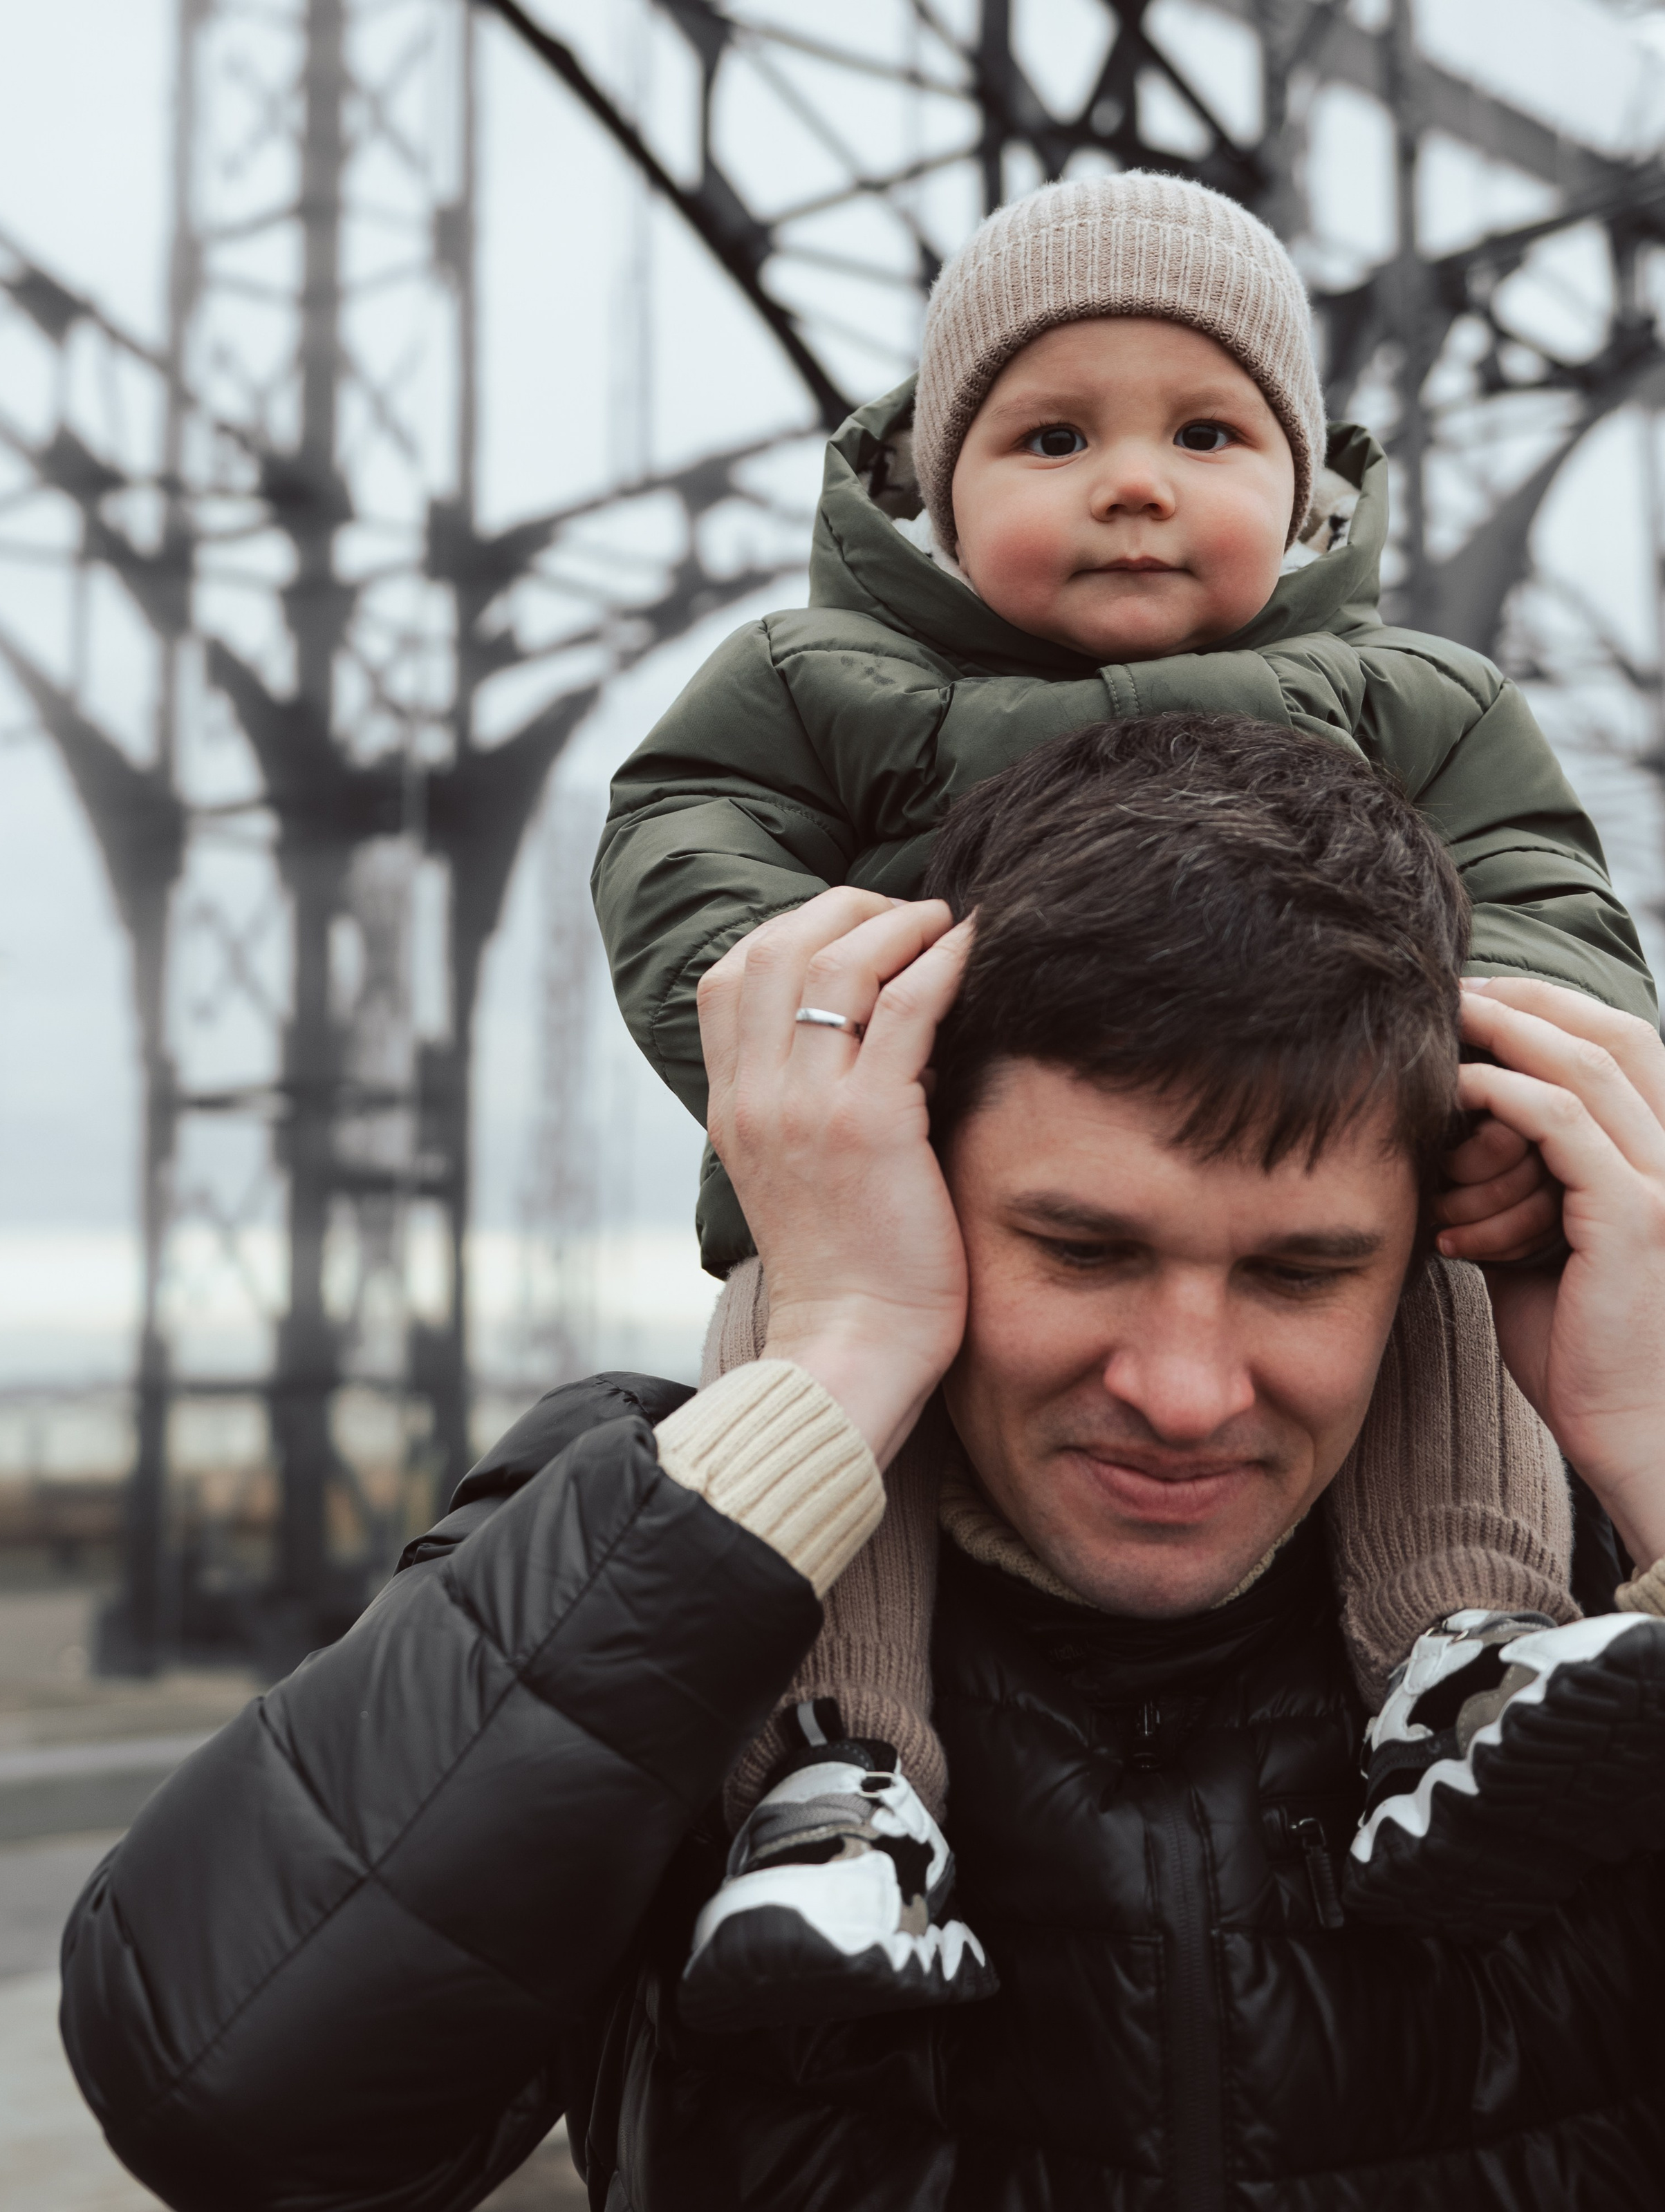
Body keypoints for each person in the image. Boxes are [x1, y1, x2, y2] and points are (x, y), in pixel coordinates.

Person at [62, 717, 1665, 2209]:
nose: (1184, 1392)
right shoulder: (657, 1532)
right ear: (894, 1169)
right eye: (1083, 1247)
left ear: (1424, 1260)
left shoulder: (1590, 1611)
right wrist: (830, 1354)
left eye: (1299, 1272)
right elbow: (232, 2098)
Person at [591, 171, 1658, 2016]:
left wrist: (1504, 1093)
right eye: (1053, 434)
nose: (1134, 479)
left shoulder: (1418, 697)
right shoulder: (814, 675)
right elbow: (690, 856)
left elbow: (1547, 906)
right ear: (930, 486)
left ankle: (1468, 1651)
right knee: (823, 1350)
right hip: (890, 1182)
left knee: (1423, 1288)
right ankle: (841, 1782)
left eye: (1207, 430)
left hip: (1335, 1154)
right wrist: (815, 1061)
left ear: (1310, 487)